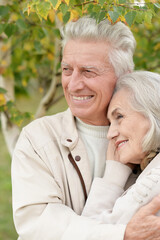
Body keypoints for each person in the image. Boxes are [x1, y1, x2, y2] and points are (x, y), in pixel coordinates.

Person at [11, 16, 160, 240]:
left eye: (88, 71)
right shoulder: (38, 139)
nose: (73, 85)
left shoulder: (144, 134)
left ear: (124, 75)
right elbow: (39, 227)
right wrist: (123, 235)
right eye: (67, 69)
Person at [82, 71, 160, 224]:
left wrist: (113, 176)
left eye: (119, 116)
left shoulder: (155, 181)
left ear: (153, 112)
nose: (110, 134)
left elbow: (88, 233)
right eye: (110, 123)